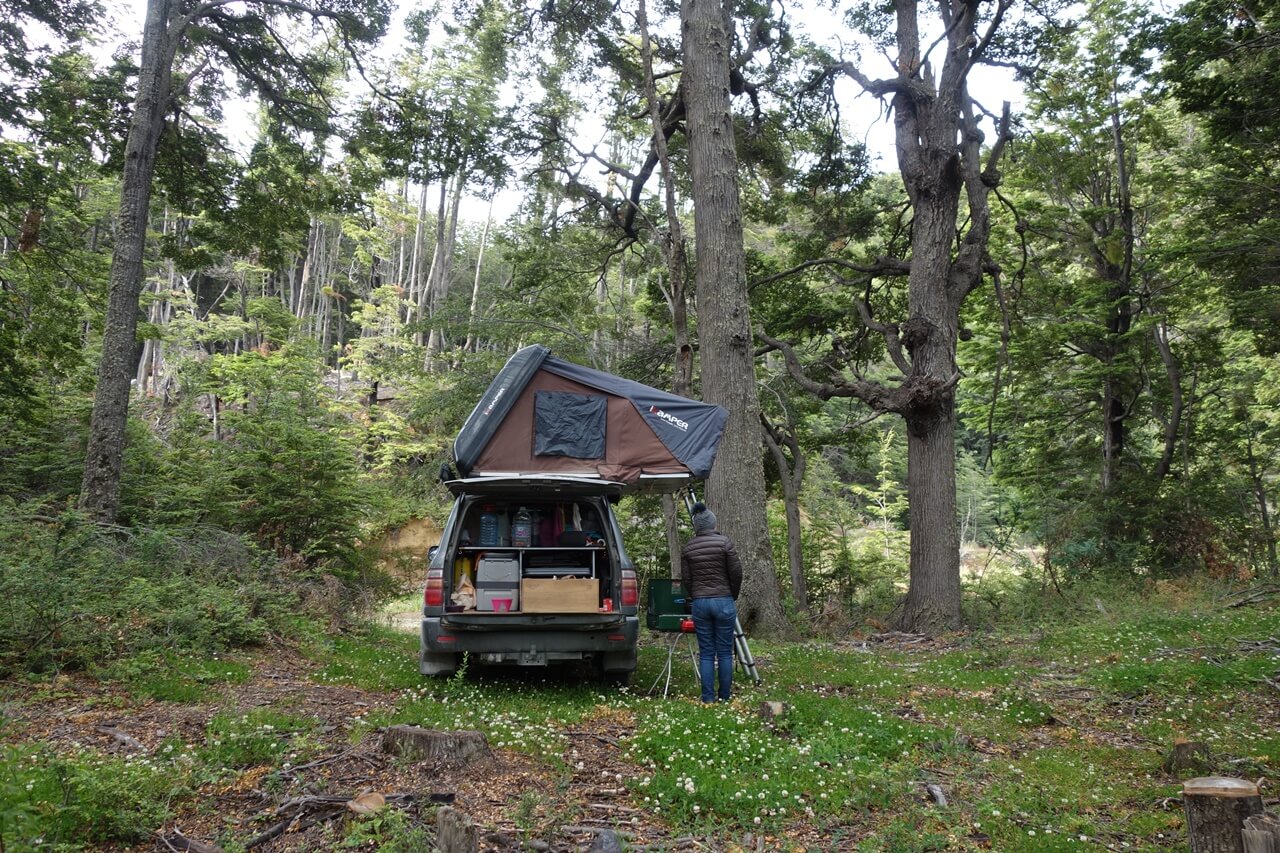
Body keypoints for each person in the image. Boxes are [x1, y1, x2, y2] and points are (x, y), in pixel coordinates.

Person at [680, 501, 743, 703]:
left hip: (700, 603)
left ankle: (707, 698)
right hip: (723, 600)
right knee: (724, 652)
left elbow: (686, 579)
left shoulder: (688, 547)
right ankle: (724, 697)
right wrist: (732, 594)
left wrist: (696, 594)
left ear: (697, 527)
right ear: (713, 525)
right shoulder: (725, 543)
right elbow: (736, 573)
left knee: (706, 653)